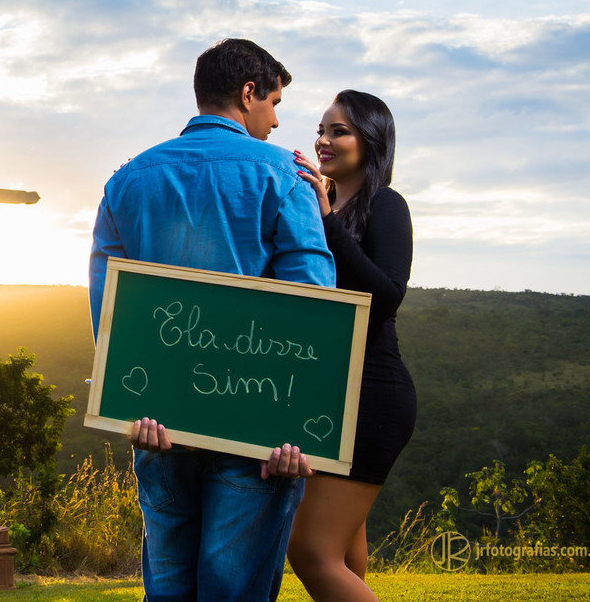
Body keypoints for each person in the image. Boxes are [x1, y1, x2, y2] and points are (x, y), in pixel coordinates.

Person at [89, 38, 336, 602]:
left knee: (169, 588)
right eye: (273, 103)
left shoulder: (126, 180)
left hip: (157, 424)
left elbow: (108, 311)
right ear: (248, 94)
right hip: (257, 432)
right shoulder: (284, 174)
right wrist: (299, 429)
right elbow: (312, 306)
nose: (274, 122)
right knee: (234, 591)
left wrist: (131, 406)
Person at [288, 90, 416, 602]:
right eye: (321, 130)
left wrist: (326, 223)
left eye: (338, 131)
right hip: (327, 397)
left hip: (371, 395)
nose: (323, 140)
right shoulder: (321, 203)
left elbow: (385, 298)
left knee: (310, 551)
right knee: (340, 555)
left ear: (372, 140)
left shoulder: (386, 204)